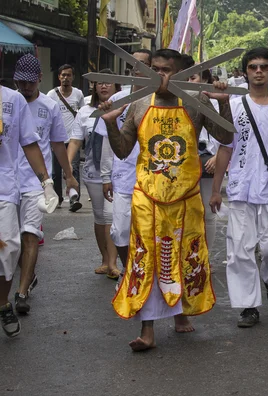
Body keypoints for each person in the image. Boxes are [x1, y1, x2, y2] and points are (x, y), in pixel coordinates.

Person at [102, 48, 233, 351]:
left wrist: (223, 105)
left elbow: (225, 137)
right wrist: (110, 122)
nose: (158, 75)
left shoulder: (196, 102)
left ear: (183, 74)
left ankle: (180, 313)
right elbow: (123, 150)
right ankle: (147, 331)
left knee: (185, 255)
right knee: (145, 256)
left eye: (166, 70)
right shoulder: (137, 104)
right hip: (147, 195)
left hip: (186, 196)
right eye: (155, 68)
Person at [209, 47, 268, 328]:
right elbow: (225, 148)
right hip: (240, 189)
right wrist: (217, 189)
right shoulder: (235, 104)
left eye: (264, 67)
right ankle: (249, 306)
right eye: (253, 67)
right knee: (239, 250)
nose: (259, 71)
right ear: (246, 71)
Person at [12, 54, 79, 314]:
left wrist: (69, 175)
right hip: (6, 181)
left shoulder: (49, 107)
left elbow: (58, 144)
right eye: (21, 82)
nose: (26, 87)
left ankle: (22, 292)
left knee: (30, 234)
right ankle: (28, 276)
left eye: (30, 82)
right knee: (11, 241)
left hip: (36, 184)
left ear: (40, 79)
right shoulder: (7, 102)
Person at [0, 83, 57, 337]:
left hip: (4, 189)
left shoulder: (13, 100)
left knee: (10, 248)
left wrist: (46, 182)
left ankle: (3, 304)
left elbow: (30, 143)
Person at [100, 49, 152, 268]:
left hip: (151, 178)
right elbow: (105, 140)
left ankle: (143, 276)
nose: (136, 69)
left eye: (142, 64)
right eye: (133, 65)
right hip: (123, 177)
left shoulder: (157, 100)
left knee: (148, 233)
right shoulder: (117, 100)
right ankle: (128, 271)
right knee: (120, 231)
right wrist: (105, 175)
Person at [67, 70, 121, 279]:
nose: (103, 86)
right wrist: (68, 166)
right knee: (100, 216)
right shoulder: (85, 111)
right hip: (93, 171)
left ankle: (114, 262)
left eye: (108, 83)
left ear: (116, 86)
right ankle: (105, 259)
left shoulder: (124, 108)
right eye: (99, 83)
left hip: (118, 171)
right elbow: (75, 140)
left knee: (111, 215)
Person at [190, 68, 221, 250]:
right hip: (185, 164)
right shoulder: (178, 101)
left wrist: (217, 157)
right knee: (189, 211)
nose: (189, 82)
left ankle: (206, 257)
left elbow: (224, 135)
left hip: (209, 161)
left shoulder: (215, 103)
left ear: (205, 80)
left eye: (192, 78)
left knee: (209, 213)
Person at [47, 64, 85, 212]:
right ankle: (58, 198)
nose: (65, 78)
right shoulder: (51, 95)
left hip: (73, 139)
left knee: (73, 169)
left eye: (68, 75)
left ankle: (74, 198)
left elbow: (82, 114)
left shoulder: (78, 94)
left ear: (73, 77)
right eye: (63, 75)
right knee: (56, 172)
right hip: (56, 140)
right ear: (58, 77)